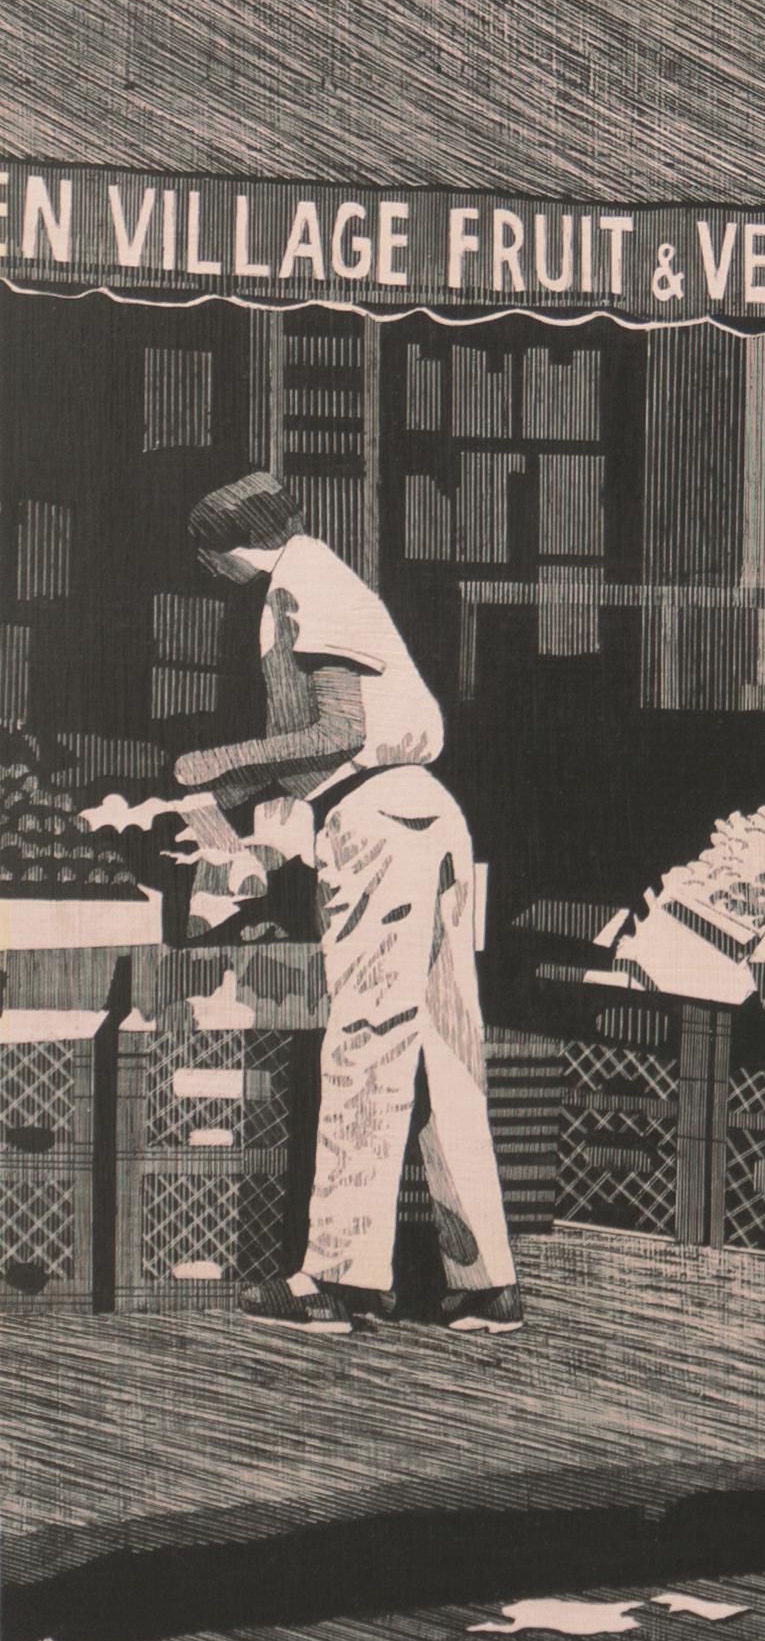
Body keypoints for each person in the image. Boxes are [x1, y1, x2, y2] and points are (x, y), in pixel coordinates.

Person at [174, 471, 522, 1339]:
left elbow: (341, 731)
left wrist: (216, 766)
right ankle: (485, 1284)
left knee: (367, 1041)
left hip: (378, 817)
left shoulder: (303, 583)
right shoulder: (320, 574)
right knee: (445, 1049)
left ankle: (340, 1280)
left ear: (224, 549)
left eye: (206, 557)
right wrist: (248, 777)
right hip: (426, 813)